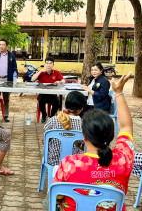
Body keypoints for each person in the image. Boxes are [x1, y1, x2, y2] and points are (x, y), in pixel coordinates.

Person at [44, 72, 134, 211]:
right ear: (111, 136)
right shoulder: (123, 159)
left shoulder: (69, 164)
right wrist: (119, 92)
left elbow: (55, 197)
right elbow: (126, 126)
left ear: (84, 136)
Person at [43, 91, 87, 166]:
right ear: (80, 109)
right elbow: (84, 146)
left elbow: (44, 141)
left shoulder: (53, 120)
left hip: (52, 162)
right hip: (73, 162)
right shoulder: (84, 125)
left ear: (66, 104)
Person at [31, 57, 65, 123]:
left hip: (52, 94)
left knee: (57, 103)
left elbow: (63, 81)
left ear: (53, 65)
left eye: (50, 63)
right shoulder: (41, 72)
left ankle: (52, 116)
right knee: (40, 101)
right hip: (43, 93)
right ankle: (44, 115)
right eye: (47, 63)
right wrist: (40, 71)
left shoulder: (56, 72)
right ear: (45, 64)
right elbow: (32, 79)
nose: (49, 65)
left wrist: (59, 82)